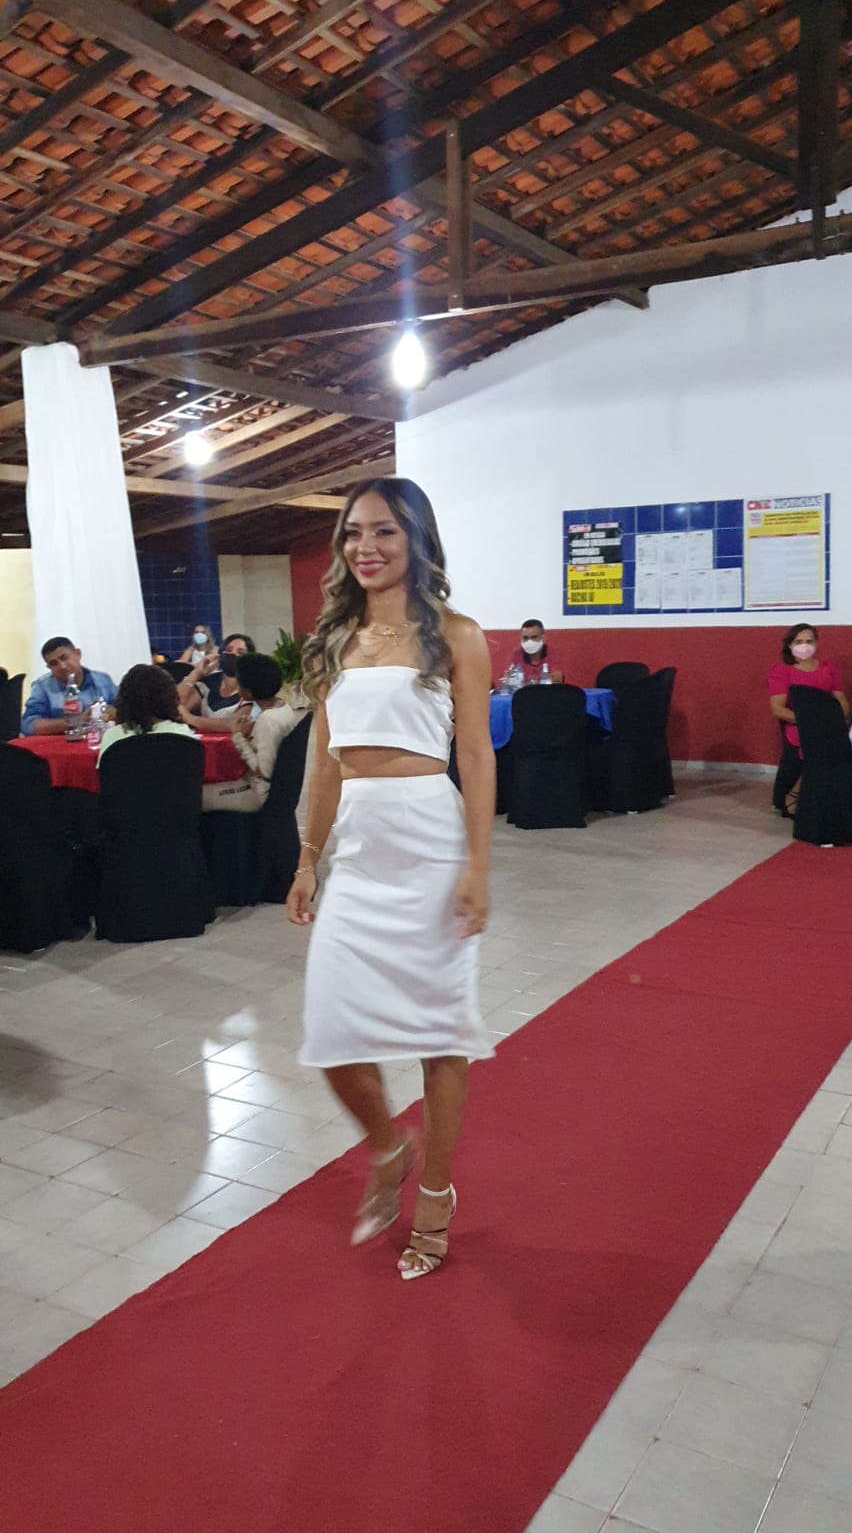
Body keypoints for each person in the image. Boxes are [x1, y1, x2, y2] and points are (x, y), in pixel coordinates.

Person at [287, 476, 494, 1281]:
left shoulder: (457, 635)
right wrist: (308, 858)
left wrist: (478, 864)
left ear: (416, 539)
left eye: (383, 532)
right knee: (331, 1029)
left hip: (431, 842)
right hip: (360, 850)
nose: (365, 547)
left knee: (441, 1035)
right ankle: (388, 1146)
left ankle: (435, 1198)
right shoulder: (334, 640)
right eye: (352, 533)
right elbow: (324, 762)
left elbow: (475, 754)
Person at [202, 652, 301, 811]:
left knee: (197, 795)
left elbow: (264, 771)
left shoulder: (267, 720)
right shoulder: (283, 707)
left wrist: (238, 737)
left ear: (247, 692)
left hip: (260, 793)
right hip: (279, 789)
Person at [767, 623, 849, 816]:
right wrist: (810, 722)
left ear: (816, 644)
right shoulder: (782, 670)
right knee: (818, 743)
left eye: (809, 641)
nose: (804, 646)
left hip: (828, 724)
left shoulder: (828, 668)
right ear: (790, 645)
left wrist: (838, 719)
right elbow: (778, 709)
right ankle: (793, 797)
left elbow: (841, 700)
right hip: (799, 725)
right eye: (799, 641)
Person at [98, 664, 197, 760]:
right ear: (169, 698)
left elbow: (104, 770)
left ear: (124, 699)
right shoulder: (181, 733)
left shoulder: (112, 736)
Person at [21, 637, 117, 736]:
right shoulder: (43, 687)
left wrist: (113, 713)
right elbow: (29, 725)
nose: (62, 666)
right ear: (49, 667)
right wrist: (77, 721)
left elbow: (123, 710)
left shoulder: (102, 680)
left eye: (64, 658)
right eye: (54, 663)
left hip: (100, 740)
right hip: (62, 742)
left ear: (78, 654)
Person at [177, 631, 256, 728]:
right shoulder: (208, 683)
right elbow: (175, 704)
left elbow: (234, 724)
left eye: (240, 652)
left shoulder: (250, 689)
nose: (233, 654)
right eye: (228, 650)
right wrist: (196, 673)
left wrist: (191, 719)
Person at [516, 618, 563, 683]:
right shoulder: (517, 654)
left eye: (534, 637)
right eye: (525, 638)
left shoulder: (553, 653)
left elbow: (557, 679)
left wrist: (531, 683)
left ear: (543, 638)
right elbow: (510, 679)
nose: (529, 641)